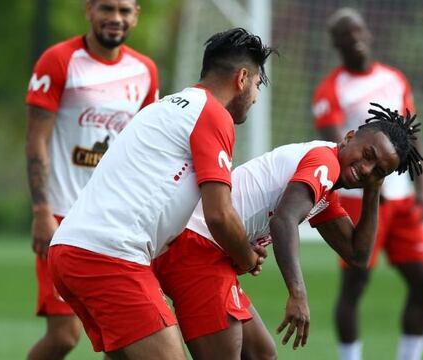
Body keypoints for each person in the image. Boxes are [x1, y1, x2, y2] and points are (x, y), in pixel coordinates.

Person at [47, 28, 276, 359]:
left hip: (72, 248)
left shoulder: (166, 106)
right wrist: (246, 257)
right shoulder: (212, 114)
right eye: (257, 85)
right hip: (110, 256)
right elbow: (219, 215)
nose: (255, 97)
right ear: (242, 78)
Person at [152, 103, 423, 360]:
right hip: (194, 249)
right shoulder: (325, 162)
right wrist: (298, 295)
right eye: (367, 155)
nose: (366, 169)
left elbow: (358, 255)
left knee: (261, 353)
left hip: (203, 251)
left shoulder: (325, 191)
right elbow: (284, 220)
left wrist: (374, 189)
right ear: (349, 137)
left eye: (379, 171)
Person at [24, 0, 158, 358]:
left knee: (120, 336)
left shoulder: (145, 71)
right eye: (107, 8)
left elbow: (146, 149)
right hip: (62, 217)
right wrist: (40, 210)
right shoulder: (59, 60)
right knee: (65, 336)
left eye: (124, 11)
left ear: (136, 16)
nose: (115, 18)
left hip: (115, 220)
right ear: (89, 10)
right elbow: (36, 138)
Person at [311, 8, 423, 360]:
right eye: (346, 35)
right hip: (359, 199)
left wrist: (421, 187)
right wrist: (369, 188)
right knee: (355, 284)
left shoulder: (395, 78)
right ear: (336, 44)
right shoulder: (330, 89)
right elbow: (340, 150)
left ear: (369, 32)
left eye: (359, 31)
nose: (356, 39)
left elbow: (412, 135)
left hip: (402, 200)